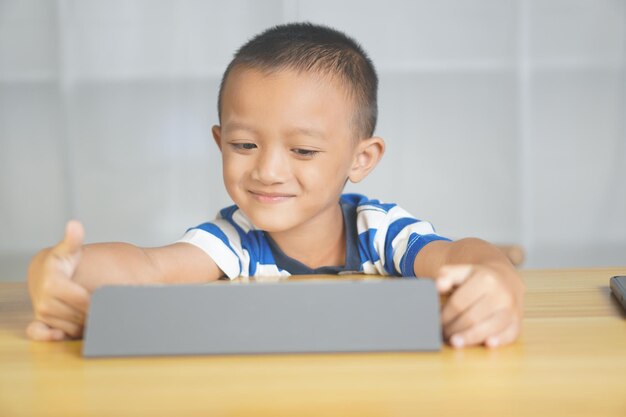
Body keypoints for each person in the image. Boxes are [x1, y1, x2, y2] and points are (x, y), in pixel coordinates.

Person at [26, 22, 524, 348]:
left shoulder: (378, 230)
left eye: (303, 151)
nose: (267, 171)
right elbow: (146, 266)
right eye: (244, 145)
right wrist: (55, 270)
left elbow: (465, 255)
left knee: (500, 257)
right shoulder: (234, 239)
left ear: (361, 159)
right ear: (219, 142)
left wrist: (497, 278)